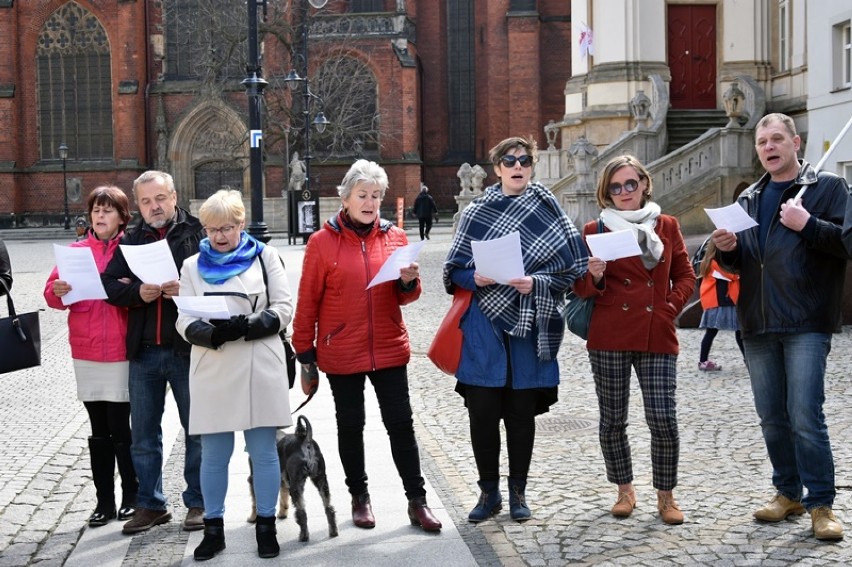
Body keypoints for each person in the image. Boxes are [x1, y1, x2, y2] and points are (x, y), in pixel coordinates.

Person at [714, 112, 849, 541]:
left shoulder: (826, 187)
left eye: (776, 139)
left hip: (806, 320)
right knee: (772, 417)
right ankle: (787, 493)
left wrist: (807, 224)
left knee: (805, 414)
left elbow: (847, 242)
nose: (768, 147)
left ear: (796, 143)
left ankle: (822, 503)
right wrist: (728, 251)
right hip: (756, 321)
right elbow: (745, 262)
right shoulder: (749, 198)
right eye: (762, 142)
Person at [292, 159, 442, 533]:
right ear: (345, 198)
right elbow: (307, 300)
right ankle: (359, 497)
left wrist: (409, 282)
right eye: (363, 195)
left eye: (376, 196)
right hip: (342, 348)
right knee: (351, 426)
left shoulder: (395, 237)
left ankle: (417, 500)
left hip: (389, 346)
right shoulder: (321, 243)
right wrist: (304, 352)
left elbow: (406, 297)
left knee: (401, 426)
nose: (371, 202)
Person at [444, 135, 588, 523]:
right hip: (484, 329)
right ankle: (488, 493)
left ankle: (518, 492)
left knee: (521, 418)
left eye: (524, 160)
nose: (518, 166)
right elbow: (453, 269)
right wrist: (477, 278)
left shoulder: (549, 207)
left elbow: (573, 268)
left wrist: (537, 282)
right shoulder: (478, 211)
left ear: (532, 164)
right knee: (483, 416)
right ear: (497, 168)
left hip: (532, 327)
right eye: (509, 160)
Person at [573, 154, 695, 525]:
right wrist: (593, 275)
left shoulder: (667, 225)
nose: (625, 192)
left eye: (630, 183)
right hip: (609, 333)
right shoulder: (595, 229)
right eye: (616, 187)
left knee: (663, 419)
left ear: (644, 183)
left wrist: (668, 309)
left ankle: (666, 495)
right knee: (612, 419)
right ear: (607, 193)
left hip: (655, 331)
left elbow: (687, 277)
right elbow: (579, 289)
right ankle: (624, 489)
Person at [176, 189, 293, 560]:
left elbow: (285, 307)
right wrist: (210, 333)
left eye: (226, 227)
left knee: (263, 451)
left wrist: (251, 325)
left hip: (259, 360)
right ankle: (213, 528)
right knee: (214, 454)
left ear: (242, 224)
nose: (219, 236)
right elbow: (183, 318)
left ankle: (266, 525)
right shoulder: (192, 266)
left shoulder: (266, 256)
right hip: (214, 363)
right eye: (211, 229)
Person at [101, 170, 206, 535]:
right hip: (144, 351)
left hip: (186, 349)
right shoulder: (132, 239)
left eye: (159, 198)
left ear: (174, 196)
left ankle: (198, 502)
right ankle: (151, 504)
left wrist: (188, 288)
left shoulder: (197, 232)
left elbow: (217, 280)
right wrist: (136, 293)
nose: (154, 206)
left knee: (197, 430)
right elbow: (109, 284)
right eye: (145, 201)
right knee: (144, 434)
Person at [44, 186, 138, 527]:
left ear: (122, 217)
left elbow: (145, 293)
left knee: (120, 426)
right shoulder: (75, 250)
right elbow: (52, 294)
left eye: (107, 210)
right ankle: (104, 501)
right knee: (98, 427)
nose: (100, 216)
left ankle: (132, 494)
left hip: (120, 349)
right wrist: (57, 291)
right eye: (96, 210)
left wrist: (129, 286)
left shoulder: (130, 250)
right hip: (85, 349)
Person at [696, 238, 744, 371]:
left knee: (712, 332)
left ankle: (703, 360)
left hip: (719, 301)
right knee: (738, 331)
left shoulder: (709, 261)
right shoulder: (715, 263)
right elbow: (732, 276)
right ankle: (703, 361)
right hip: (720, 301)